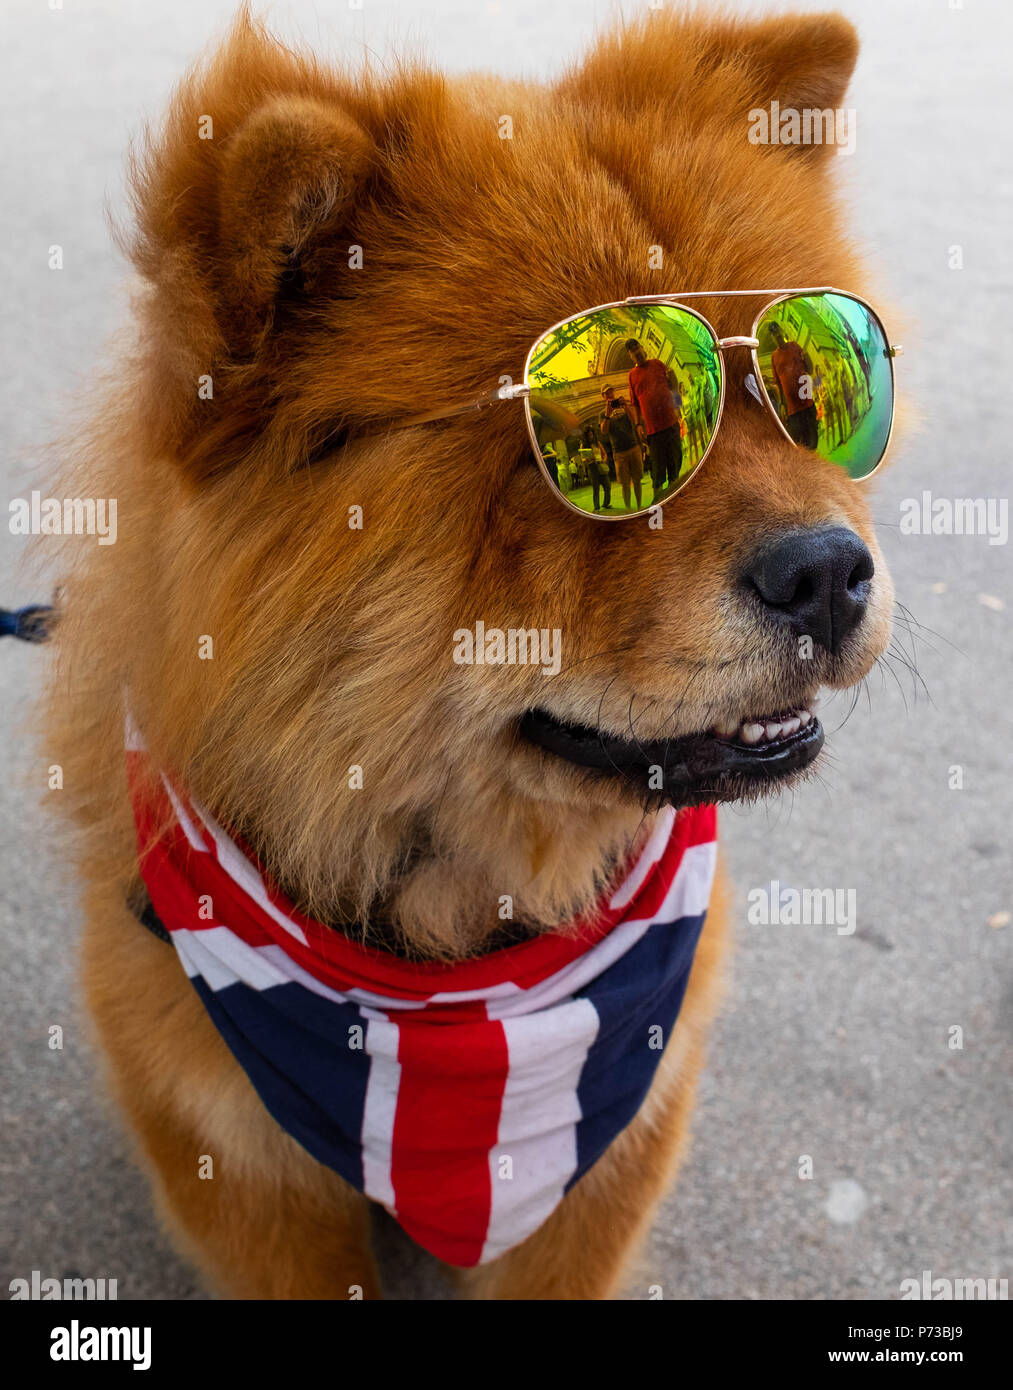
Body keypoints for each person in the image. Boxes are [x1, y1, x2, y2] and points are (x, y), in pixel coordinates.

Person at [625, 339, 683, 501]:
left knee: (675, 463)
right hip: (652, 431)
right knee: (657, 470)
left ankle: (675, 495)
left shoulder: (658, 364)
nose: (637, 352)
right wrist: (637, 425)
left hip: (671, 423)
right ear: (630, 356)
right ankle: (658, 501)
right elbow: (635, 404)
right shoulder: (632, 376)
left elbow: (673, 388)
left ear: (642, 348)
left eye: (637, 348)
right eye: (632, 351)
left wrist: (678, 409)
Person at [767, 322, 818, 449]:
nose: (777, 334)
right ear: (772, 338)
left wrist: (805, 353)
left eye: (777, 330)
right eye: (773, 333)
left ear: (782, 331)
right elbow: (778, 384)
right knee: (797, 446)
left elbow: (810, 370)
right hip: (792, 411)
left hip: (807, 404)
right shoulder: (774, 357)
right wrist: (783, 406)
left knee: (813, 442)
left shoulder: (795, 346)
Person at [598, 383, 644, 510]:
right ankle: (629, 509)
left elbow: (633, 420)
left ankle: (639, 507)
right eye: (607, 393)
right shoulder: (602, 413)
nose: (610, 395)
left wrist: (626, 406)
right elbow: (604, 431)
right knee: (625, 484)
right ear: (603, 396)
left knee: (637, 480)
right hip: (619, 453)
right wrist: (608, 414)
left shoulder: (623, 405)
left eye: (611, 391)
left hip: (633, 447)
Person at [580, 423, 611, 512]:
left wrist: (604, 460)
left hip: (600, 464)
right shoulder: (583, 445)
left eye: (592, 434)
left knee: (607, 486)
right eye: (589, 435)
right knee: (596, 488)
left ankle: (606, 504)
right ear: (586, 436)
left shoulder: (597, 443)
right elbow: (583, 459)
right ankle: (596, 507)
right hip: (592, 467)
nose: (591, 436)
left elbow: (604, 454)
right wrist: (588, 459)